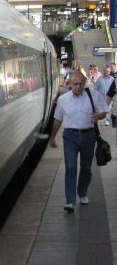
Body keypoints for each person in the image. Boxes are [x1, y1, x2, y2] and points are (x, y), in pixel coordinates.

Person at [49, 73, 110, 212]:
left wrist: (98, 116)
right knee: (70, 167)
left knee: (86, 168)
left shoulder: (92, 94)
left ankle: (82, 192)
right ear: (69, 84)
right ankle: (70, 201)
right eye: (74, 84)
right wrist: (52, 138)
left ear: (85, 83)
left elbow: (105, 111)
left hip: (89, 135)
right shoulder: (63, 99)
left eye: (80, 84)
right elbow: (57, 119)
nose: (77, 87)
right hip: (70, 136)